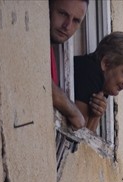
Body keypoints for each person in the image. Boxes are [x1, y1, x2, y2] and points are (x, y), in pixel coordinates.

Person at [72, 31, 123, 133]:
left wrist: (96, 115)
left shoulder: (104, 82)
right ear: (106, 63)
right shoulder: (89, 72)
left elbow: (85, 137)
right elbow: (77, 134)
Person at [49, 0, 89, 130]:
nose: (67, 25)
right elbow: (40, 81)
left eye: (76, 20)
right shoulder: (32, 41)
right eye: (62, 13)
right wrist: (72, 111)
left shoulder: (51, 51)